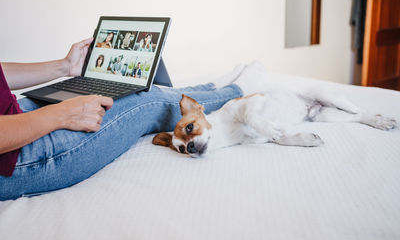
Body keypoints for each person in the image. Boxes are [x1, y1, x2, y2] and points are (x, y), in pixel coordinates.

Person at [0, 37, 248, 201]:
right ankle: (238, 91)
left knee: (131, 89)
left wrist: (64, 67)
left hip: (12, 113)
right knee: (145, 100)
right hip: (16, 155)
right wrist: (63, 112)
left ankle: (212, 86)